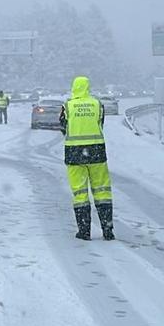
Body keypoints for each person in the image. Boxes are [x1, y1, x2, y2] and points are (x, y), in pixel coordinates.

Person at [59, 75, 114, 241]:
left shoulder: (68, 106)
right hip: (97, 152)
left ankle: (84, 231)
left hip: (75, 154)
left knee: (80, 193)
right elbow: (101, 124)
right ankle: (107, 229)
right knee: (102, 191)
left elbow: (62, 126)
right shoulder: (98, 104)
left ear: (74, 87)